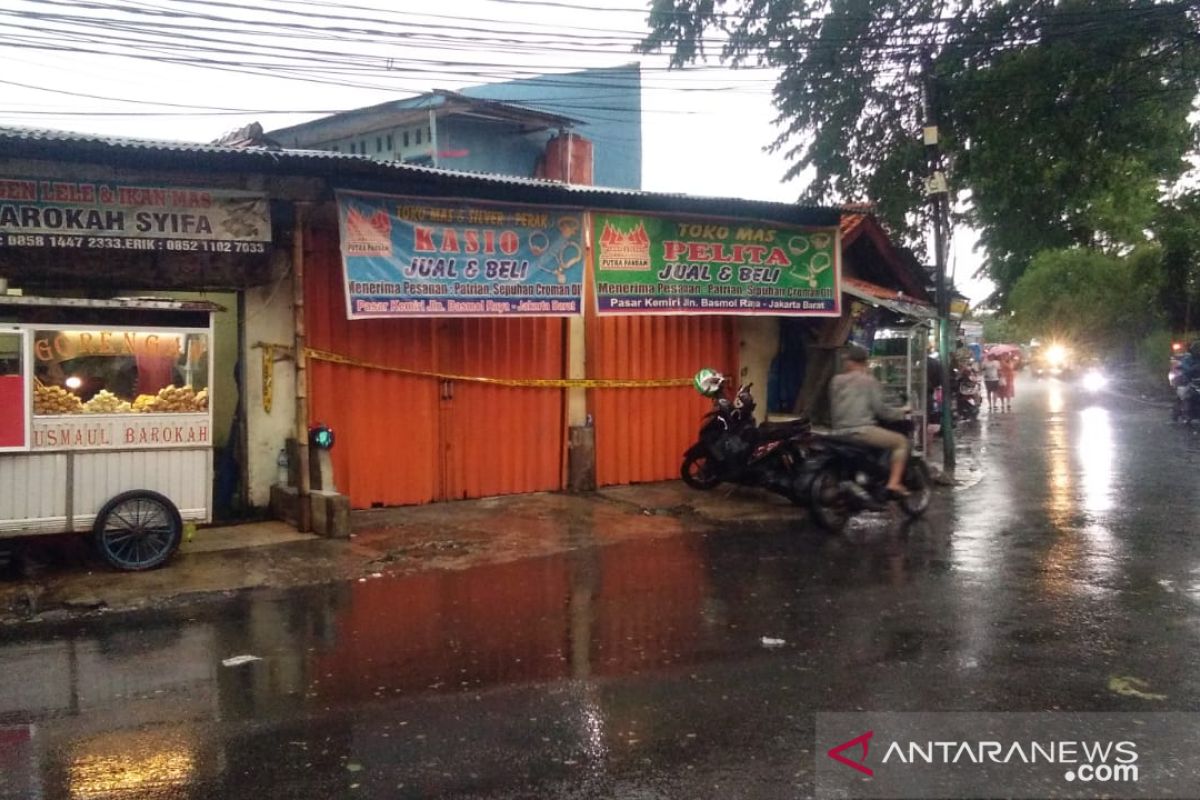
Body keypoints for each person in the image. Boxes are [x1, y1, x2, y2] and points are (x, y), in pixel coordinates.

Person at [830, 344, 911, 496]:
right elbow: (881, 410)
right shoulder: (868, 381)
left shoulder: (836, 380)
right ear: (864, 362)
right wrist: (900, 412)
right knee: (901, 442)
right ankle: (894, 483)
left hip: (838, 432)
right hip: (861, 431)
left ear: (849, 362)